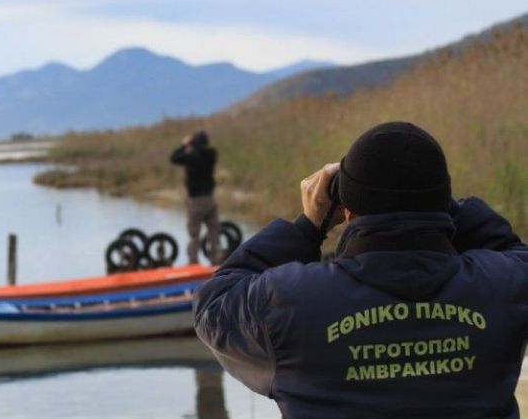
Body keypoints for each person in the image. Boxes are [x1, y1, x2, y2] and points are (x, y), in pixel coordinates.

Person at [193, 121, 528, 418]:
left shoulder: (290, 302)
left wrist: (307, 227)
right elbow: (515, 253)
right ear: (442, 200)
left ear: (348, 210)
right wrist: (444, 205)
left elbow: (214, 304)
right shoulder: (503, 286)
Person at [170, 131, 221, 264]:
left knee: (194, 234)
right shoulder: (211, 155)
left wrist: (184, 145)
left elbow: (174, 158)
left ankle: (193, 262)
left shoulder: (190, 157)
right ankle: (215, 260)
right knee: (214, 231)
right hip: (210, 199)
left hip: (195, 201)